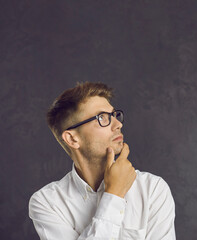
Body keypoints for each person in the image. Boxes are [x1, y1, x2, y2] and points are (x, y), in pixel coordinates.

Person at [28, 82, 176, 239]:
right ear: (72, 139)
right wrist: (114, 194)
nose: (118, 124)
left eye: (114, 115)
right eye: (102, 118)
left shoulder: (152, 189)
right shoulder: (47, 203)